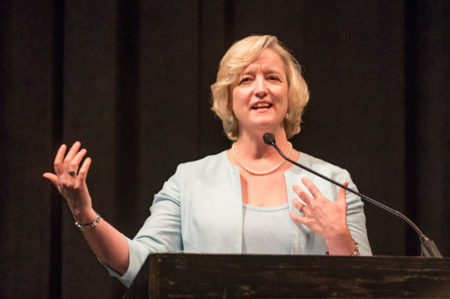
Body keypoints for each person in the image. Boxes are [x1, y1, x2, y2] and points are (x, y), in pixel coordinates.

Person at [43, 35, 371, 287]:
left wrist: (338, 237)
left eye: (273, 77)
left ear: (290, 94)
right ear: (229, 98)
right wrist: (84, 213)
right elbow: (139, 265)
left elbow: (368, 286)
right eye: (246, 80)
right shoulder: (190, 181)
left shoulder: (332, 181)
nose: (260, 89)